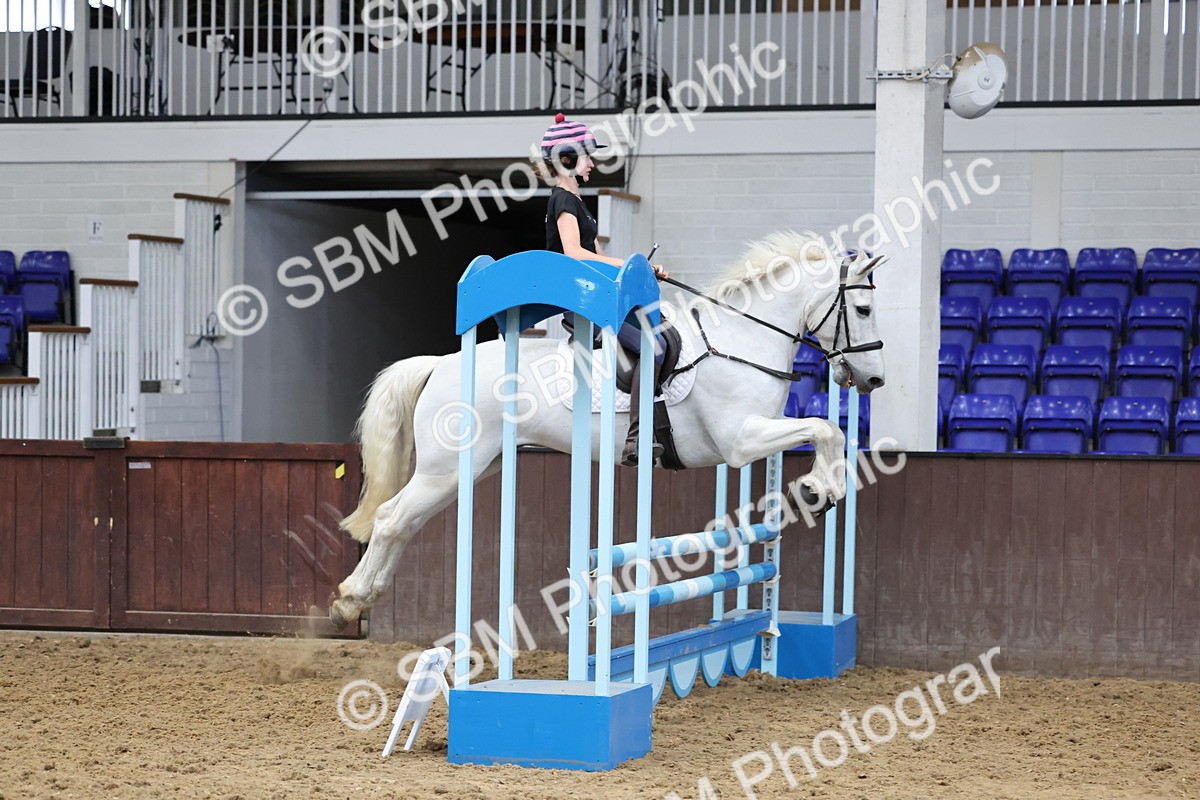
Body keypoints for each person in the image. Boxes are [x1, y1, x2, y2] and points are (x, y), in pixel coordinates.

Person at [537, 113, 668, 467]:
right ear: (566, 159)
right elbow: (575, 253)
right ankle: (637, 439)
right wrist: (628, 265)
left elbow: (598, 255)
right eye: (587, 156)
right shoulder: (563, 200)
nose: (592, 163)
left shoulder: (577, 200)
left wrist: (641, 271)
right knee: (651, 350)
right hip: (581, 303)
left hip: (595, 295)